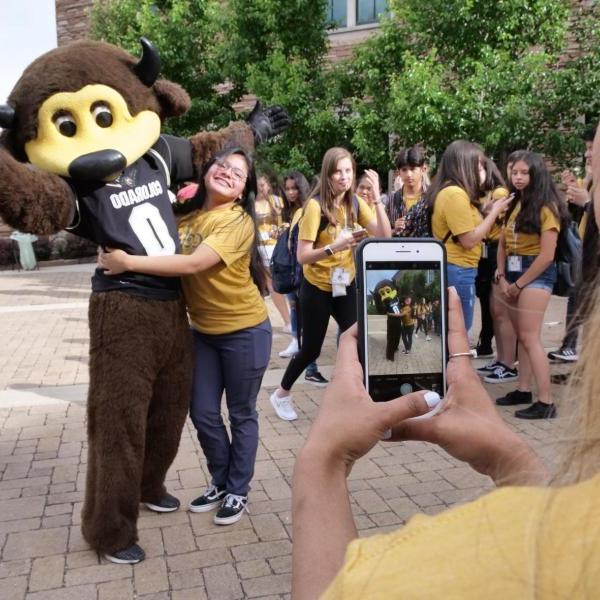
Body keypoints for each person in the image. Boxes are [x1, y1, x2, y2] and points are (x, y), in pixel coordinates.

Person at [291, 286, 600, 600]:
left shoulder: (435, 571)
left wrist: (324, 459)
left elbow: (328, 591)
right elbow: (558, 538)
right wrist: (510, 460)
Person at [99, 148, 270, 525]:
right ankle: (221, 480)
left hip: (245, 331)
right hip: (204, 333)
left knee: (241, 414)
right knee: (204, 412)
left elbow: (193, 264)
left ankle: (238, 490)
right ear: (208, 170)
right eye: (222, 165)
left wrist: (127, 263)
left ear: (243, 190)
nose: (227, 173)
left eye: (238, 174)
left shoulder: (238, 220)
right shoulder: (186, 214)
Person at [269, 147, 391, 421]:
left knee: (359, 341)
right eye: (338, 171)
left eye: (348, 171)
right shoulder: (315, 207)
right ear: (328, 174)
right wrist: (334, 248)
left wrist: (378, 198)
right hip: (317, 288)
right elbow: (302, 256)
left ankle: (358, 399)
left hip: (346, 284)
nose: (344, 177)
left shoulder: (356, 204)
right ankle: (281, 394)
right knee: (311, 348)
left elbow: (385, 234)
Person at [494, 151, 567, 419]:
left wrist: (519, 283)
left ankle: (546, 401)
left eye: (525, 173)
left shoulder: (546, 207)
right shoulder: (514, 204)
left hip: (536, 273)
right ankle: (523, 390)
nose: (519, 177)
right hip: (513, 272)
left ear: (536, 174)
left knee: (529, 337)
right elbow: (502, 242)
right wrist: (501, 275)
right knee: (522, 337)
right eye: (515, 172)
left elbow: (547, 255)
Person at [430, 141, 511, 333]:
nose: (483, 171)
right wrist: (494, 213)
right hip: (458, 268)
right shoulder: (455, 194)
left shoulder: (453, 192)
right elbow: (469, 240)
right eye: (480, 165)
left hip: (457, 267)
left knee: (455, 329)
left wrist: (485, 210)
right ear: (465, 166)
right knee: (460, 331)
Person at [547, 125, 595, 366]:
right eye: (587, 148)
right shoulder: (592, 180)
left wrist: (586, 202)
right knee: (577, 301)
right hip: (586, 253)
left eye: (592, 148)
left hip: (592, 258)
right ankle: (575, 355)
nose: (588, 154)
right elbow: (576, 215)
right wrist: (579, 190)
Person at [278, 170, 328, 386]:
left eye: (294, 188)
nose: (290, 192)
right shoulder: (301, 210)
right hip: (302, 275)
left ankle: (306, 368)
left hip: (305, 275)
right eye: (287, 188)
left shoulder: (305, 209)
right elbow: (296, 248)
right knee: (308, 329)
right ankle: (308, 370)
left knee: (307, 328)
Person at [256, 174, 292, 332]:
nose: (261, 188)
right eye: (258, 185)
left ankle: (294, 319)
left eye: (263, 185)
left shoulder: (278, 201)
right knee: (271, 285)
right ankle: (288, 320)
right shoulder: (250, 204)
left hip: (278, 246)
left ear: (268, 185)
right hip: (260, 247)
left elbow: (288, 220)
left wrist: (282, 228)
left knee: (286, 282)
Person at [386, 146, 429, 236]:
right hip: (400, 249)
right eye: (404, 170)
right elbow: (382, 234)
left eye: (413, 169)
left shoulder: (432, 196)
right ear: (398, 172)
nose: (409, 174)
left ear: (423, 169)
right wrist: (394, 229)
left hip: (427, 248)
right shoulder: (392, 200)